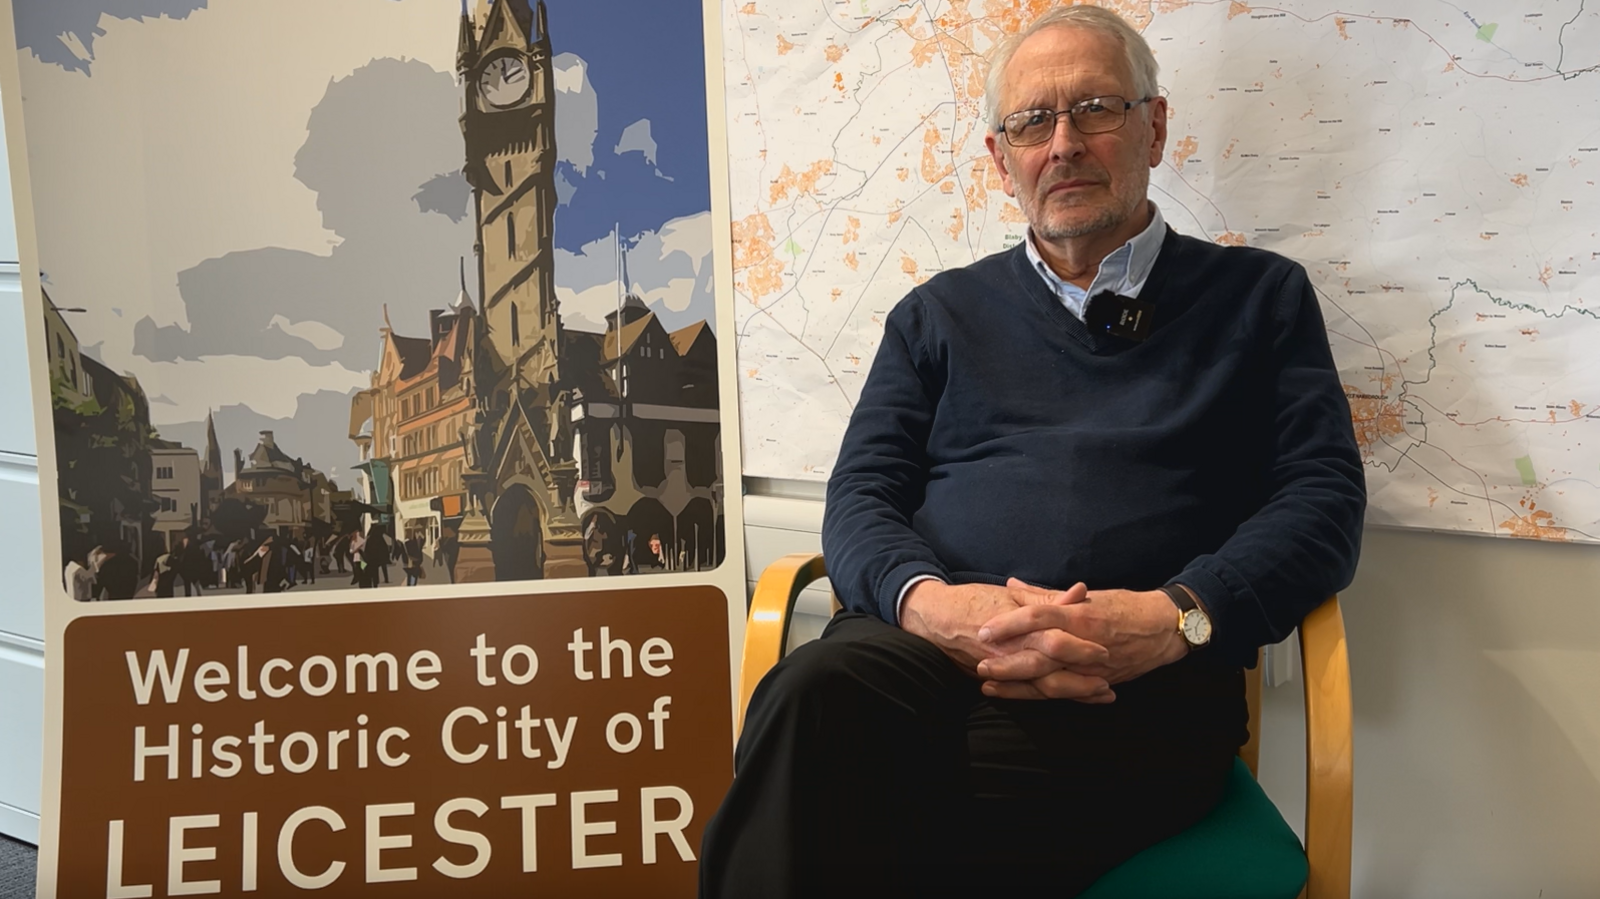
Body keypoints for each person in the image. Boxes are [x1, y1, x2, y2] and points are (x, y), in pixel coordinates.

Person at [697, 7, 1366, 897]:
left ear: (1154, 127)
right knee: (809, 694)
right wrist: (933, 607)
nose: (1063, 144)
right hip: (924, 655)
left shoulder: (1259, 299)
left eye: (1095, 107)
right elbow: (861, 496)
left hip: (1131, 685)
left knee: (848, 799)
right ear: (999, 157)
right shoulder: (937, 316)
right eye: (1031, 122)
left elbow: (1322, 503)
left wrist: (1174, 619)